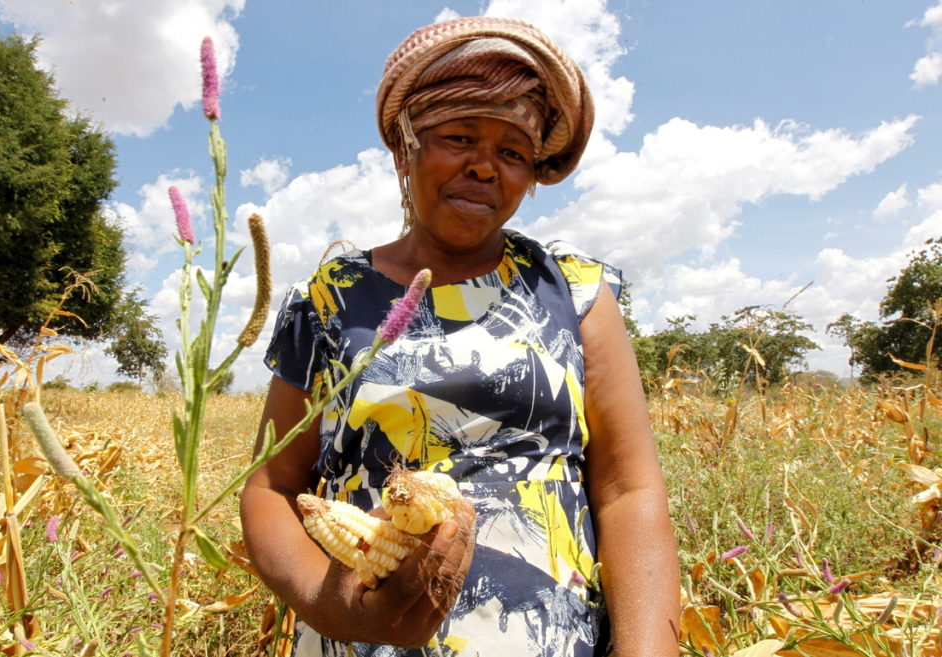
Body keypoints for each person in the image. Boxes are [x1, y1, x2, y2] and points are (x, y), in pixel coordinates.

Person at [240, 16, 679, 657]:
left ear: (531, 175)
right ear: (405, 148)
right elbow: (272, 486)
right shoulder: (329, 298)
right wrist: (329, 604)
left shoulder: (576, 294)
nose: (483, 167)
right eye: (459, 137)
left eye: (512, 153)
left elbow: (628, 491)